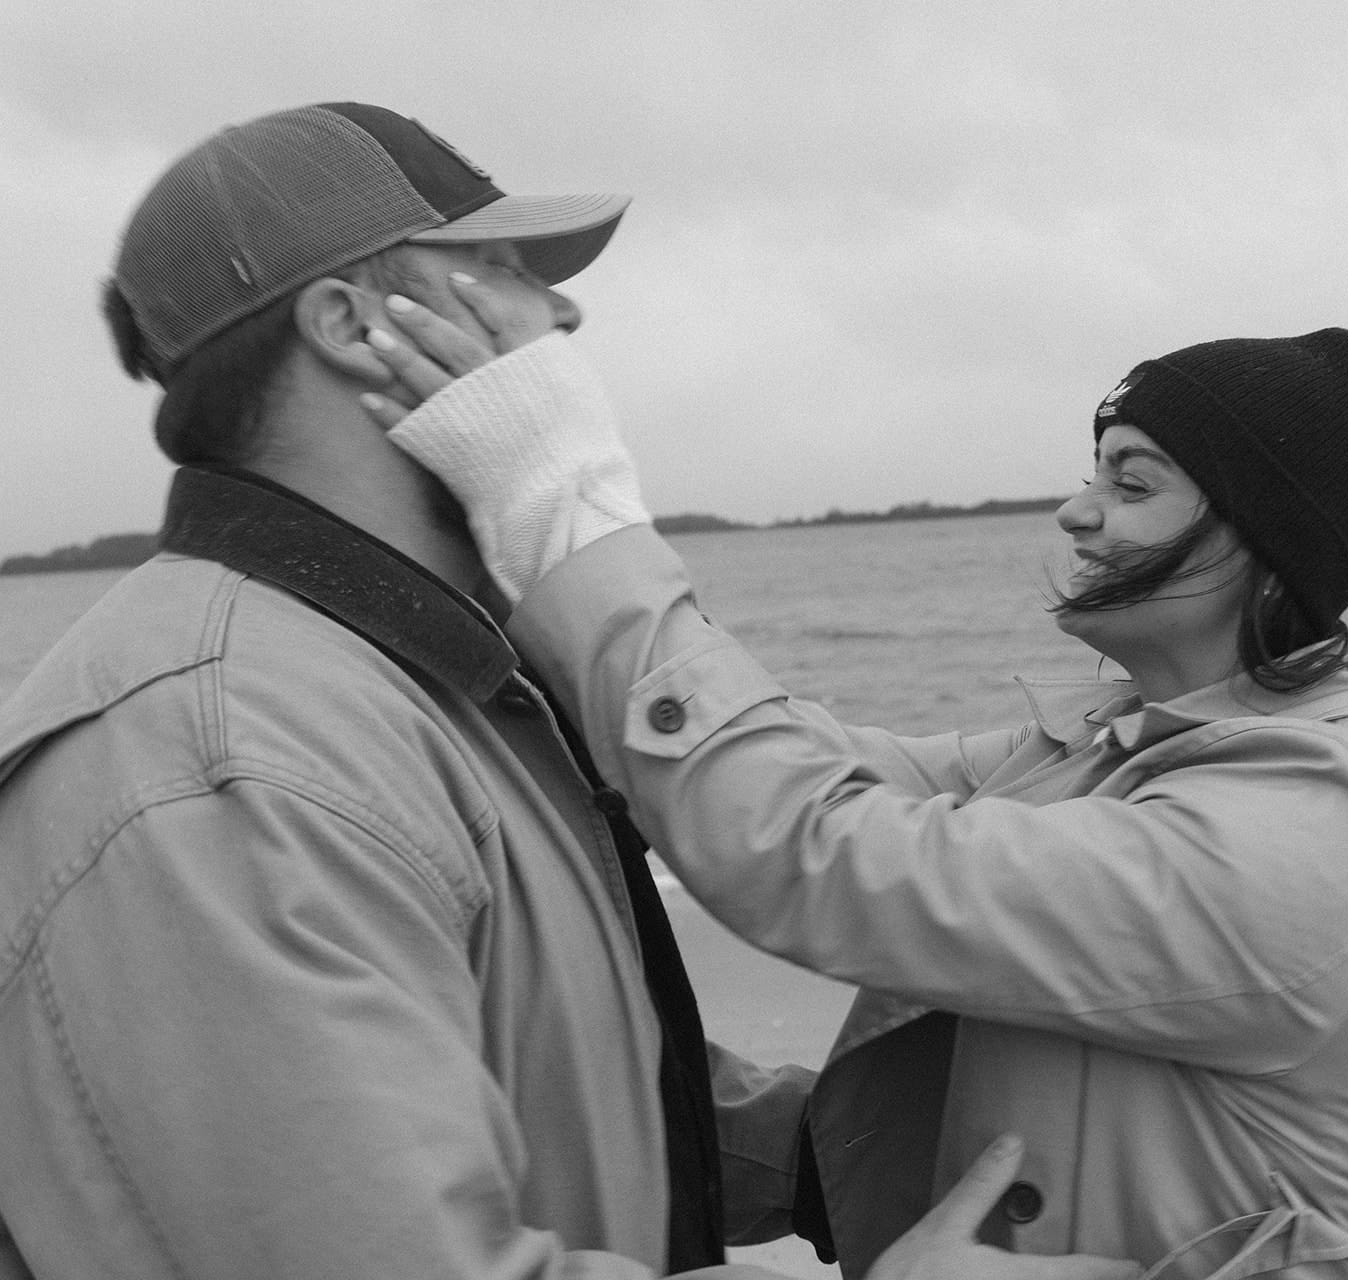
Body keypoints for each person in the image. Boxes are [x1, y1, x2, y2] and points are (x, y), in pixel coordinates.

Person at [0, 102, 1137, 1280]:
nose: (566, 311)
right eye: (498, 268)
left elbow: (531, 1056)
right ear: (349, 324)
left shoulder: (406, 674)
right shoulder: (218, 752)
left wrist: (820, 1163)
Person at [357, 293, 1348, 1279]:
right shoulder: (1089, 753)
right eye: (1093, 469)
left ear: (1269, 541)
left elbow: (815, 851)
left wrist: (560, 501)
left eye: (1131, 481)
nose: (1076, 509)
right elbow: (796, 762)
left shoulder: (1295, 823)